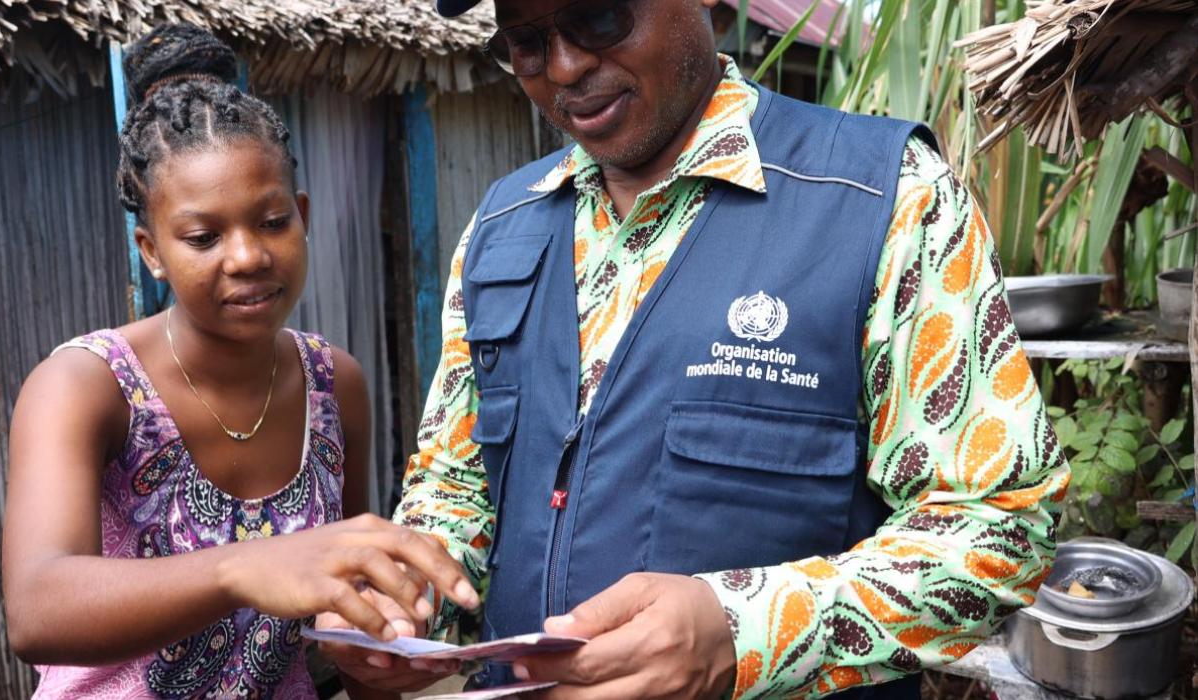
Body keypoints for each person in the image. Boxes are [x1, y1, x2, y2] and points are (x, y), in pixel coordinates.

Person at [327, 0, 1071, 698]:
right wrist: (405, 605)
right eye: (527, 42)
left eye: (599, 17)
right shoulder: (501, 226)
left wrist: (742, 633)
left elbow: (999, 521)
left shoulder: (887, 200)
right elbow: (457, 490)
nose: (562, 69)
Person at [1, 23, 479, 699]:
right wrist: (243, 567)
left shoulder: (333, 385)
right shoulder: (85, 386)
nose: (248, 256)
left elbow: (343, 613)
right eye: (203, 236)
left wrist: (379, 649)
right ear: (152, 250)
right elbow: (37, 608)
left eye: (273, 221)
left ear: (303, 216)